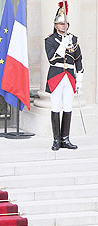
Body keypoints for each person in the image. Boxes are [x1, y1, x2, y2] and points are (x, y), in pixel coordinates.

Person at [45, 1, 83, 151]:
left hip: (70, 76)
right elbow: (52, 59)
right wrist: (62, 45)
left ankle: (65, 138)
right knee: (55, 107)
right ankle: (56, 140)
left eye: (65, 24)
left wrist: (79, 78)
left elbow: (79, 59)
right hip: (56, 75)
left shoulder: (74, 39)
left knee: (68, 107)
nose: (64, 26)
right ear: (55, 25)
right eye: (61, 24)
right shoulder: (50, 40)